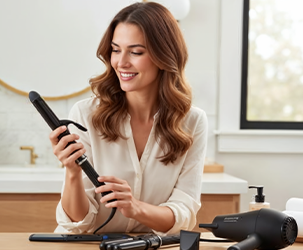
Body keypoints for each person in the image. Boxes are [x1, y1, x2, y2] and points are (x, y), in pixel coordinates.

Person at [52, 2, 207, 234]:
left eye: (136, 52)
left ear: (164, 56)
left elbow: (183, 214)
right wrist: (72, 173)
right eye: (116, 50)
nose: (121, 62)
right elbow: (77, 223)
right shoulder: (85, 115)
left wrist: (135, 207)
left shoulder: (192, 122)